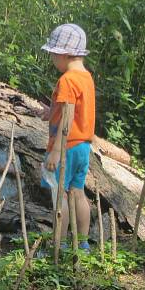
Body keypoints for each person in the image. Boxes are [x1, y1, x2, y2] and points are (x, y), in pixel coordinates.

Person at [38, 23, 95, 251]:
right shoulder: (86, 78)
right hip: (82, 147)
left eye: (53, 55)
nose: (52, 60)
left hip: (66, 146)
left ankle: (58, 244)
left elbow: (67, 119)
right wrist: (50, 112)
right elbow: (73, 110)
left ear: (63, 54)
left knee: (59, 195)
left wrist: (56, 151)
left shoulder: (67, 80)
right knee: (78, 193)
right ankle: (82, 243)